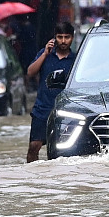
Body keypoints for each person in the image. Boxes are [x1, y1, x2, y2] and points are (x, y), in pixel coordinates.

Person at [27, 22, 77, 162]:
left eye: (66, 37)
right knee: (34, 146)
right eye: (59, 37)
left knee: (62, 148)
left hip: (65, 110)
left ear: (72, 38)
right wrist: (44, 54)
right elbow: (30, 72)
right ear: (54, 38)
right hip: (42, 108)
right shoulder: (45, 55)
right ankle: (32, 176)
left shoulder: (76, 60)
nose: (63, 41)